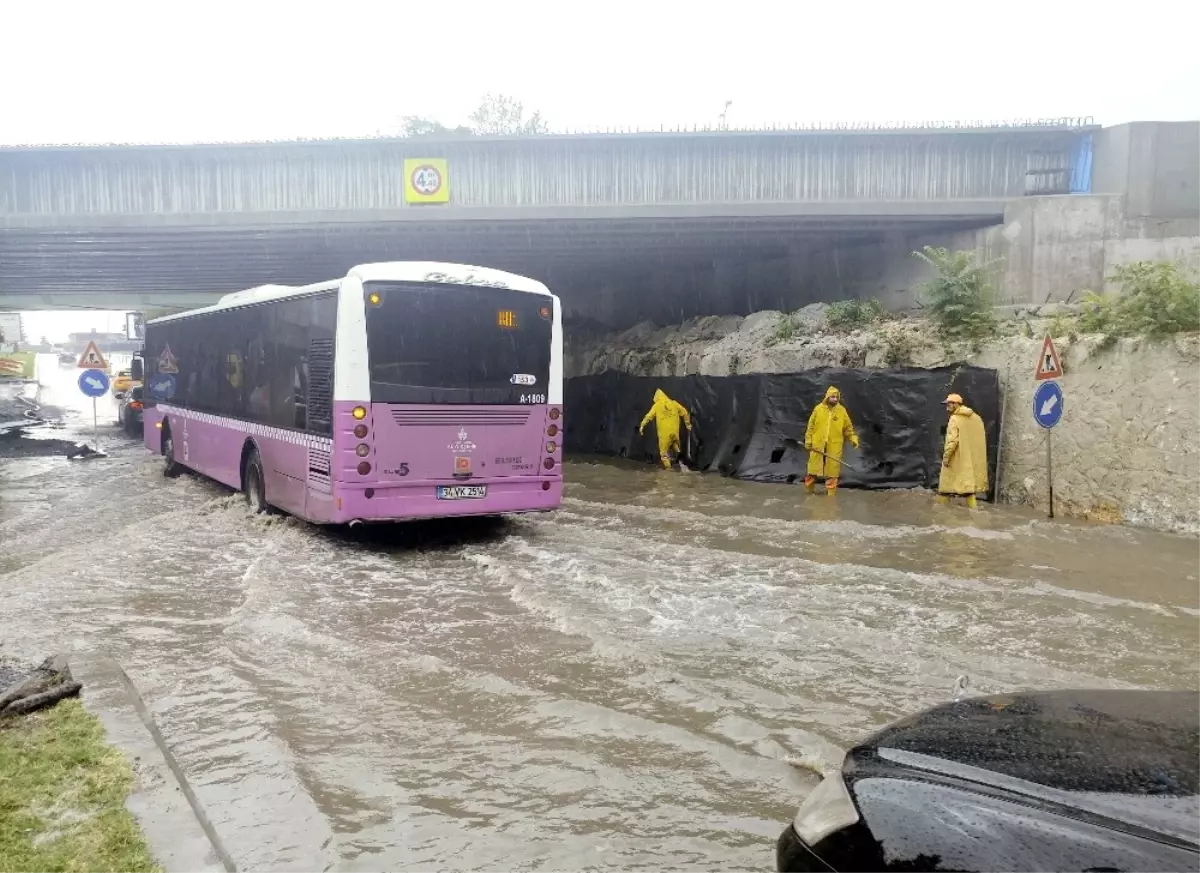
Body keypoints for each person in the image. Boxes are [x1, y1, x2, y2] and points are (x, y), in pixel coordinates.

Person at [804, 386, 859, 494]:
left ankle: (831, 500)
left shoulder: (841, 411)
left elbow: (848, 428)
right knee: (812, 471)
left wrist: (853, 438)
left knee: (832, 473)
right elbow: (810, 427)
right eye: (832, 397)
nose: (835, 399)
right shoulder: (818, 409)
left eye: (836, 397)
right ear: (827, 397)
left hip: (834, 447)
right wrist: (808, 440)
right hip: (817, 446)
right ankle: (809, 493)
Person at [938, 393, 988, 509]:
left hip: (957, 458)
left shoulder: (954, 419)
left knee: (945, 488)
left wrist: (946, 457)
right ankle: (974, 513)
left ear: (956, 404)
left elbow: (952, 441)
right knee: (968, 488)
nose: (946, 407)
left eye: (949, 404)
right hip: (971, 459)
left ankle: (938, 513)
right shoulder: (976, 418)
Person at [639, 388, 692, 469]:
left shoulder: (657, 406)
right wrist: (688, 424)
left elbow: (648, 416)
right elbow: (684, 412)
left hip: (664, 435)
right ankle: (681, 461)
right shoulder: (674, 403)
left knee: (663, 454)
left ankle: (669, 471)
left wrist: (642, 426)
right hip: (674, 433)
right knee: (674, 444)